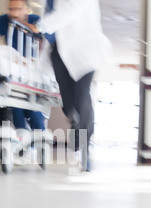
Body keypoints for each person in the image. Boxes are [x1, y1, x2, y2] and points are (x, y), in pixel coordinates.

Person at [36, 0, 111, 171]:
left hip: (84, 48)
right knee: (68, 105)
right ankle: (75, 121)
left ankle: (85, 150)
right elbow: (49, 13)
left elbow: (71, 9)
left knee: (81, 96)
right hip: (59, 51)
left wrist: (42, 25)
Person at [0, 0, 45, 133]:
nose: (14, 13)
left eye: (18, 9)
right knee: (17, 110)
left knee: (35, 114)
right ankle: (24, 146)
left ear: (27, 9)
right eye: (11, 9)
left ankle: (40, 144)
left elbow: (43, 42)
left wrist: (22, 25)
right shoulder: (3, 20)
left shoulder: (35, 20)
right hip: (14, 70)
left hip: (32, 71)